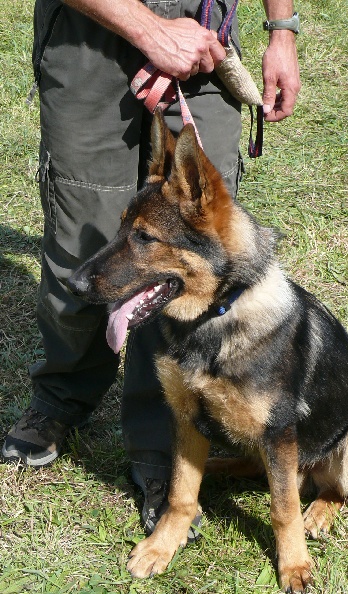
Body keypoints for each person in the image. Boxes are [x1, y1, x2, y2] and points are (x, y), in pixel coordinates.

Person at [2, 0, 300, 536]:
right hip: (88, 33)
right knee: (83, 245)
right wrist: (149, 30)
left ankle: (164, 446)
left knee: (192, 262)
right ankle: (62, 395)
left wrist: (282, 30)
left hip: (206, 38)